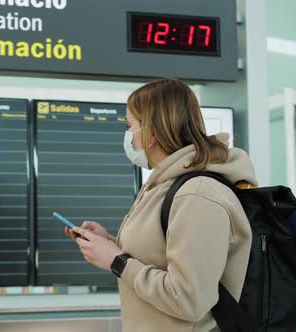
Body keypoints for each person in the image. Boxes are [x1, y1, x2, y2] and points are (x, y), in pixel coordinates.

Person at [65, 78, 256, 331]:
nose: (128, 136)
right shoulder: (164, 185)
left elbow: (189, 299)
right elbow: (160, 256)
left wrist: (117, 261)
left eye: (129, 125)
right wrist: (110, 244)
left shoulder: (197, 195)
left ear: (151, 133)